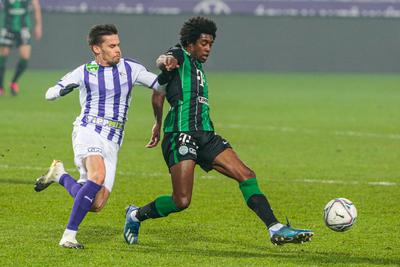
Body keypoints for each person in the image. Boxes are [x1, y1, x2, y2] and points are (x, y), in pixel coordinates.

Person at [123, 16, 313, 246]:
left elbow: (158, 93)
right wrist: (165, 63)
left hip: (206, 135)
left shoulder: (198, 67)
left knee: (246, 175)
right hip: (180, 135)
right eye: (204, 43)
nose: (208, 48)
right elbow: (163, 60)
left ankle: (275, 228)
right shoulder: (180, 55)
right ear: (190, 43)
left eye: (211, 44)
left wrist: (156, 122)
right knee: (181, 200)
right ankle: (135, 215)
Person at [34, 24, 166, 249]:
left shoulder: (130, 68)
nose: (118, 50)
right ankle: (68, 236)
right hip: (88, 130)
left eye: (118, 45)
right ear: (97, 49)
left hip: (113, 140)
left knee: (96, 204)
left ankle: (60, 175)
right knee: (97, 175)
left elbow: (160, 85)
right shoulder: (83, 71)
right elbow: (49, 94)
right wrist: (61, 91)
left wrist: (169, 67)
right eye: (111, 46)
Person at [0, 0, 42, 96]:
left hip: (23, 28)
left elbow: (36, 5)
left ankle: (14, 82)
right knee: (3, 56)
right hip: (7, 27)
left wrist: (38, 25)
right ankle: (1, 86)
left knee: (25, 57)